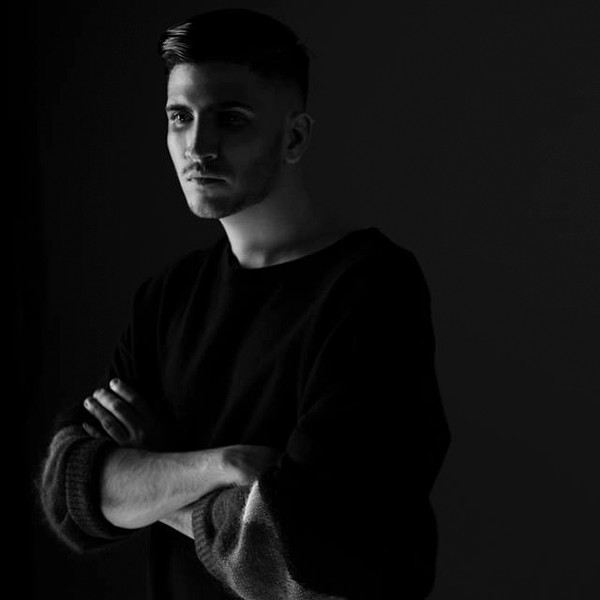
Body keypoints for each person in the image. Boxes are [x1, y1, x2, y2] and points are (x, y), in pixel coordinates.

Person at [37, 8, 451, 600]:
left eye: (230, 119)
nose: (197, 146)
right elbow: (67, 490)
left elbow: (307, 552)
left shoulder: (371, 288)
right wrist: (221, 465)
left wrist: (155, 470)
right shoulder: (167, 296)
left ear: (295, 137)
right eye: (180, 117)